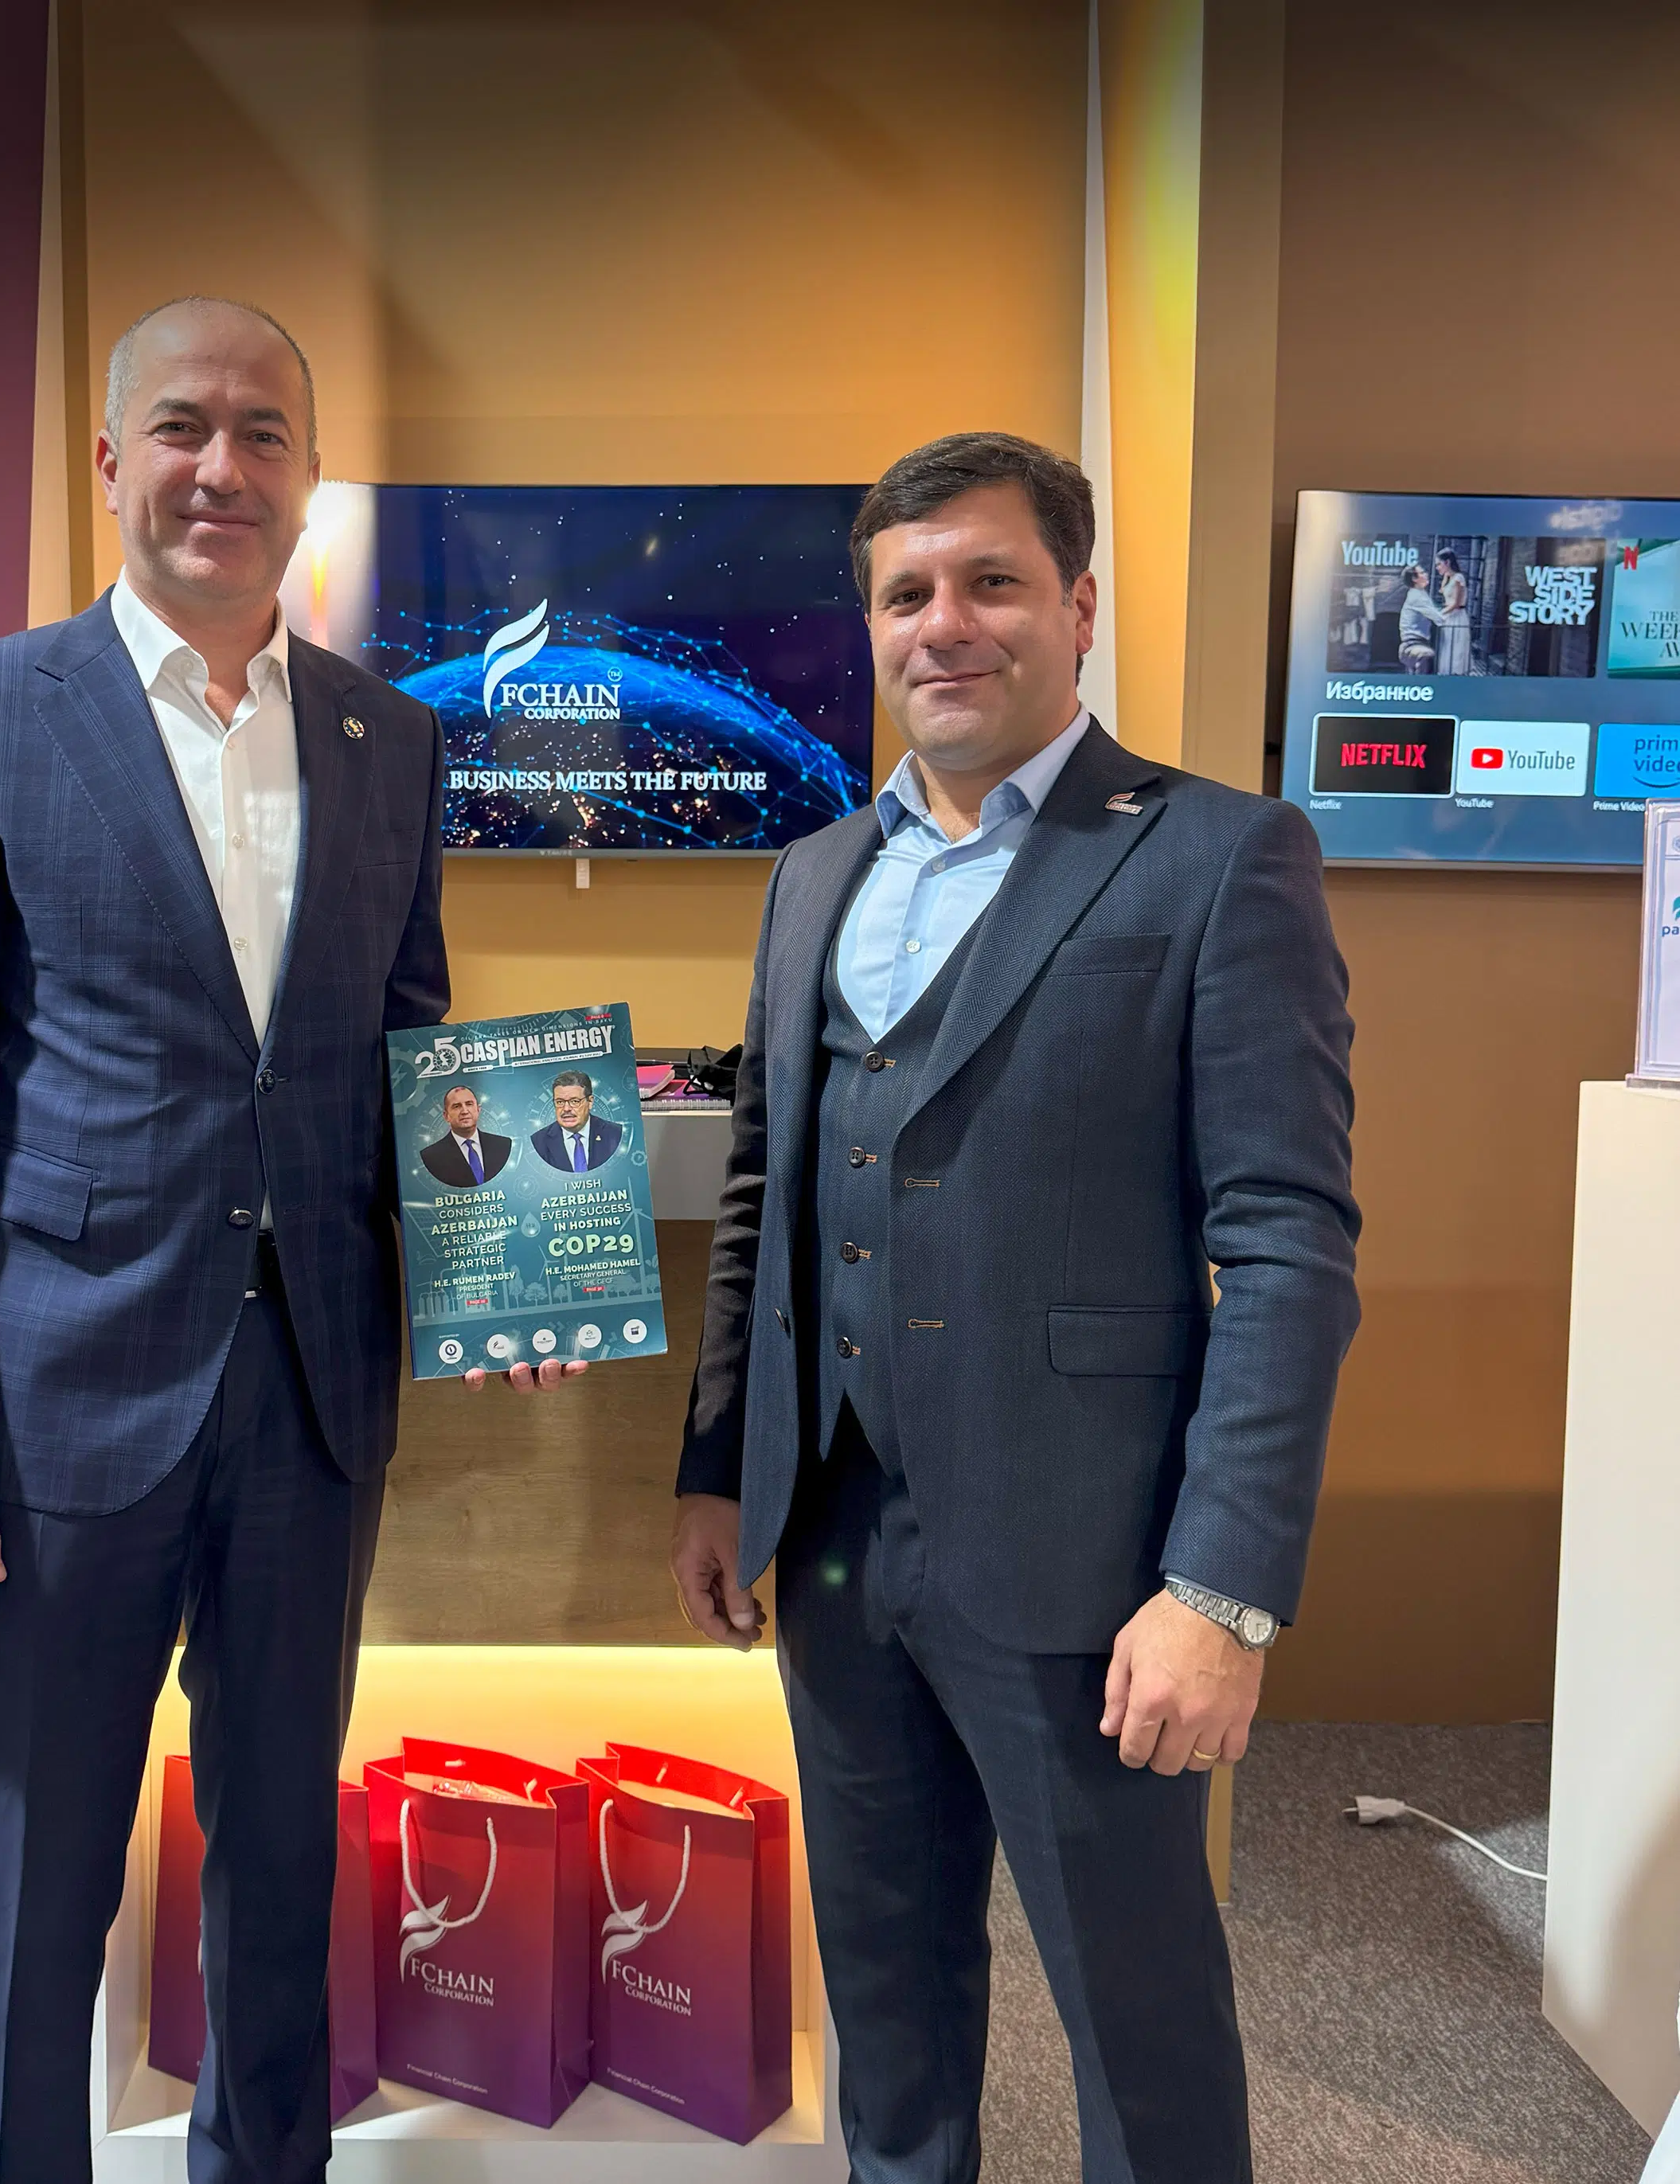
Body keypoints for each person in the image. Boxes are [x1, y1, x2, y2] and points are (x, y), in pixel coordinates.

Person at [668, 431, 1359, 2182]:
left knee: (1138, 2025)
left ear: (1078, 605)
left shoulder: (1218, 855)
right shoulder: (814, 873)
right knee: (887, 2005)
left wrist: (1221, 1589)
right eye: (906, 592)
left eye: (990, 581)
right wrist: (717, 1471)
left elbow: (1286, 1246)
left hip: (1089, 1564)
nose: (944, 623)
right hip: (837, 1548)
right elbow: (762, 1190)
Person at [0, 295, 472, 2184]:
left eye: (264, 432)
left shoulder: (388, 738)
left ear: (309, 476)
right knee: (38, 1862)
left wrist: (496, 1259)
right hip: (63, 1395)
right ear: (111, 457)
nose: (223, 466)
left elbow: (410, 1049)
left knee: (282, 1844)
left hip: (311, 1399)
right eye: (183, 426)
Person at [530, 1069, 623, 1173]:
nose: (566, 1109)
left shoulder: (616, 1134)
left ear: (590, 1102)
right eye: (560, 1102)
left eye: (574, 1101)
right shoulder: (538, 1142)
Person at [420, 1082, 511, 1187]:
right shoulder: (431, 1157)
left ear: (478, 1109)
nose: (464, 1111)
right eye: (457, 1106)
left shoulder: (503, 1145)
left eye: (469, 1104)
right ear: (446, 1116)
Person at [1397, 561, 1440, 675]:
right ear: (1414, 579)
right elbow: (1439, 619)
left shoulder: (1420, 594)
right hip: (1411, 645)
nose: (1426, 574)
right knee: (1427, 655)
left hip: (1418, 643)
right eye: (1422, 573)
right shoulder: (1417, 596)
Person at [1435, 545, 1473, 674]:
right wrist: (1446, 576)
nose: (1437, 567)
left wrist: (1438, 614)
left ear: (1447, 562)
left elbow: (1456, 603)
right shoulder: (1449, 578)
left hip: (1457, 616)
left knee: (1456, 649)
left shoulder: (1458, 578)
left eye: (1439, 564)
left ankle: (1456, 674)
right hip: (1449, 617)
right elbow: (1442, 591)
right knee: (1447, 648)